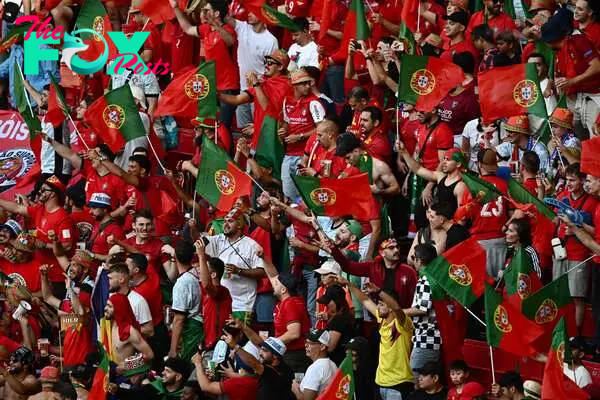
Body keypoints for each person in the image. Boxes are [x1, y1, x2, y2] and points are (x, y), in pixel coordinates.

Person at [0, 175, 76, 298]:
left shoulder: (63, 218)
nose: (40, 191)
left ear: (52, 194)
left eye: (44, 189)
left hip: (57, 276)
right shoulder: (40, 209)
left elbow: (67, 246)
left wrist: (45, 245)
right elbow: (18, 208)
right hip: (39, 269)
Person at [170, 0, 240, 129]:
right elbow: (187, 29)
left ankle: (227, 149)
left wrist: (214, 23)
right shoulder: (205, 29)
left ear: (217, 13)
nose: (203, 13)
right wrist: (176, 9)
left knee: (223, 128)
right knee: (207, 127)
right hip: (211, 87)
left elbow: (230, 41)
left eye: (206, 10)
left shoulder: (228, 29)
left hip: (228, 87)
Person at [343, 274, 414, 400]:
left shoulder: (402, 324)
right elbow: (364, 300)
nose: (378, 307)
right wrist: (348, 283)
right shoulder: (382, 320)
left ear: (390, 307)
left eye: (382, 304)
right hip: (381, 382)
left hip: (398, 383)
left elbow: (397, 308)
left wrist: (379, 291)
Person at [553, 163, 598, 335]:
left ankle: (575, 335)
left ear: (582, 180)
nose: (569, 183)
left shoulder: (593, 201)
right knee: (559, 295)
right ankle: (559, 332)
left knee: (577, 297)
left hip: (580, 255)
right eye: (566, 180)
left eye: (572, 180)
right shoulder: (563, 196)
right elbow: (554, 221)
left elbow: (596, 232)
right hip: (560, 252)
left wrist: (578, 225)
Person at [542, 8, 600, 137]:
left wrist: (572, 81)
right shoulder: (559, 50)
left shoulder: (579, 40)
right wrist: (552, 85)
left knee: (595, 140)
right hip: (572, 100)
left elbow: (597, 66)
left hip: (591, 98)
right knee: (578, 139)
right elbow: (559, 74)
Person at [204, 207, 266, 324]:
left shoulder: (251, 245)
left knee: (237, 340)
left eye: (230, 221)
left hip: (243, 305)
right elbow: (200, 242)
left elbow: (263, 272)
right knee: (224, 339)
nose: (225, 224)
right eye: (225, 220)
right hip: (223, 302)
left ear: (239, 224)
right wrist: (192, 229)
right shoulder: (219, 240)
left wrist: (239, 271)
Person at [225, 11, 278, 128]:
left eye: (253, 12)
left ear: (263, 14)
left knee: (259, 131)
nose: (249, 14)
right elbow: (226, 18)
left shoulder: (271, 41)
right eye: (248, 11)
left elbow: (274, 70)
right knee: (243, 132)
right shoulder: (243, 28)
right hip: (243, 90)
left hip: (260, 94)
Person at [280, 69, 326, 199]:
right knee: (288, 193)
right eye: (303, 84)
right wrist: (283, 132)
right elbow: (286, 123)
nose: (307, 86)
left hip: (307, 156)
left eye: (308, 83)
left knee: (306, 195)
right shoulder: (287, 101)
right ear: (294, 85)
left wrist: (300, 136)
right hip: (289, 154)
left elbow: (322, 128)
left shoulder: (314, 102)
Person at [225, 321, 295, 400]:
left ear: (275, 355)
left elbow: (255, 363)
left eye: (264, 350)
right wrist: (243, 326)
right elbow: (257, 342)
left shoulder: (272, 371)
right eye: (261, 349)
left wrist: (235, 346)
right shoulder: (284, 367)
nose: (260, 352)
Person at [127, 252, 168, 371]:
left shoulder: (139, 296)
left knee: (152, 369)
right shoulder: (151, 274)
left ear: (136, 270)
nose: (124, 268)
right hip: (161, 329)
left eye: (127, 266)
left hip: (152, 337)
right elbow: (142, 257)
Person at [99, 293, 154, 373]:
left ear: (118, 309)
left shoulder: (130, 331)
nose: (105, 308)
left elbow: (149, 355)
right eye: (107, 305)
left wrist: (126, 366)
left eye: (110, 306)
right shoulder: (110, 324)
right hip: (110, 372)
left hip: (126, 376)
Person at [194, 239, 232, 353]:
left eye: (204, 269)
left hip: (218, 346)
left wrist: (201, 255)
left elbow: (206, 284)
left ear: (213, 274)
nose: (200, 271)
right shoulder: (205, 292)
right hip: (208, 345)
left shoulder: (222, 292)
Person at [169, 241, 203, 362]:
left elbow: (179, 319)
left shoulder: (182, 282)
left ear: (175, 257)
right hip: (202, 326)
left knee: (188, 366)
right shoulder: (200, 271)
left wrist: (172, 350)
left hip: (191, 330)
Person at [192, 346, 259, 400]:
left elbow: (206, 387)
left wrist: (198, 363)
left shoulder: (237, 383)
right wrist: (236, 375)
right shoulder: (260, 377)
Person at [108, 263, 154, 338]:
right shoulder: (111, 296)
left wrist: (128, 329)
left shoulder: (139, 301)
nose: (107, 282)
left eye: (110, 278)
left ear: (121, 280)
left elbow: (150, 331)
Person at [292, 329, 337, 400]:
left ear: (322, 347)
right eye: (306, 342)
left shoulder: (315, 368)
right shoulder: (333, 364)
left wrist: (295, 389)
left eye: (310, 343)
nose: (306, 345)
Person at [316, 284, 355, 365]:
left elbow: (330, 347)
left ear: (337, 301)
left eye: (328, 302)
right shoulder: (343, 316)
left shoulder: (339, 319)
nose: (326, 305)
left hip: (338, 363)